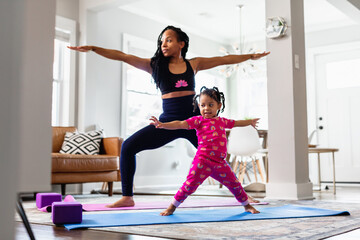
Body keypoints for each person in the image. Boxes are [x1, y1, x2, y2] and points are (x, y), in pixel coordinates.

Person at [68, 25, 269, 208]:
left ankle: (243, 196)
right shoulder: (154, 66)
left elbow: (224, 60)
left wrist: (250, 57)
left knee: (218, 159)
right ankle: (127, 197)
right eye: (162, 41)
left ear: (181, 44)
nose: (164, 44)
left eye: (169, 40)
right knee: (128, 146)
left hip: (195, 123)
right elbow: (123, 56)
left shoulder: (194, 64)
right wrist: (94, 48)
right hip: (168, 122)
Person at [150, 86, 260, 216]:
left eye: (210, 105)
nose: (206, 108)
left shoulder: (222, 121)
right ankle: (172, 207)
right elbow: (180, 124)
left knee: (235, 184)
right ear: (199, 106)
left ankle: (247, 205)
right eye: (203, 105)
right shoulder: (198, 121)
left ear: (219, 106)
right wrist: (163, 125)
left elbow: (236, 123)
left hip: (220, 163)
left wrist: (250, 122)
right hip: (202, 162)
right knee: (189, 185)